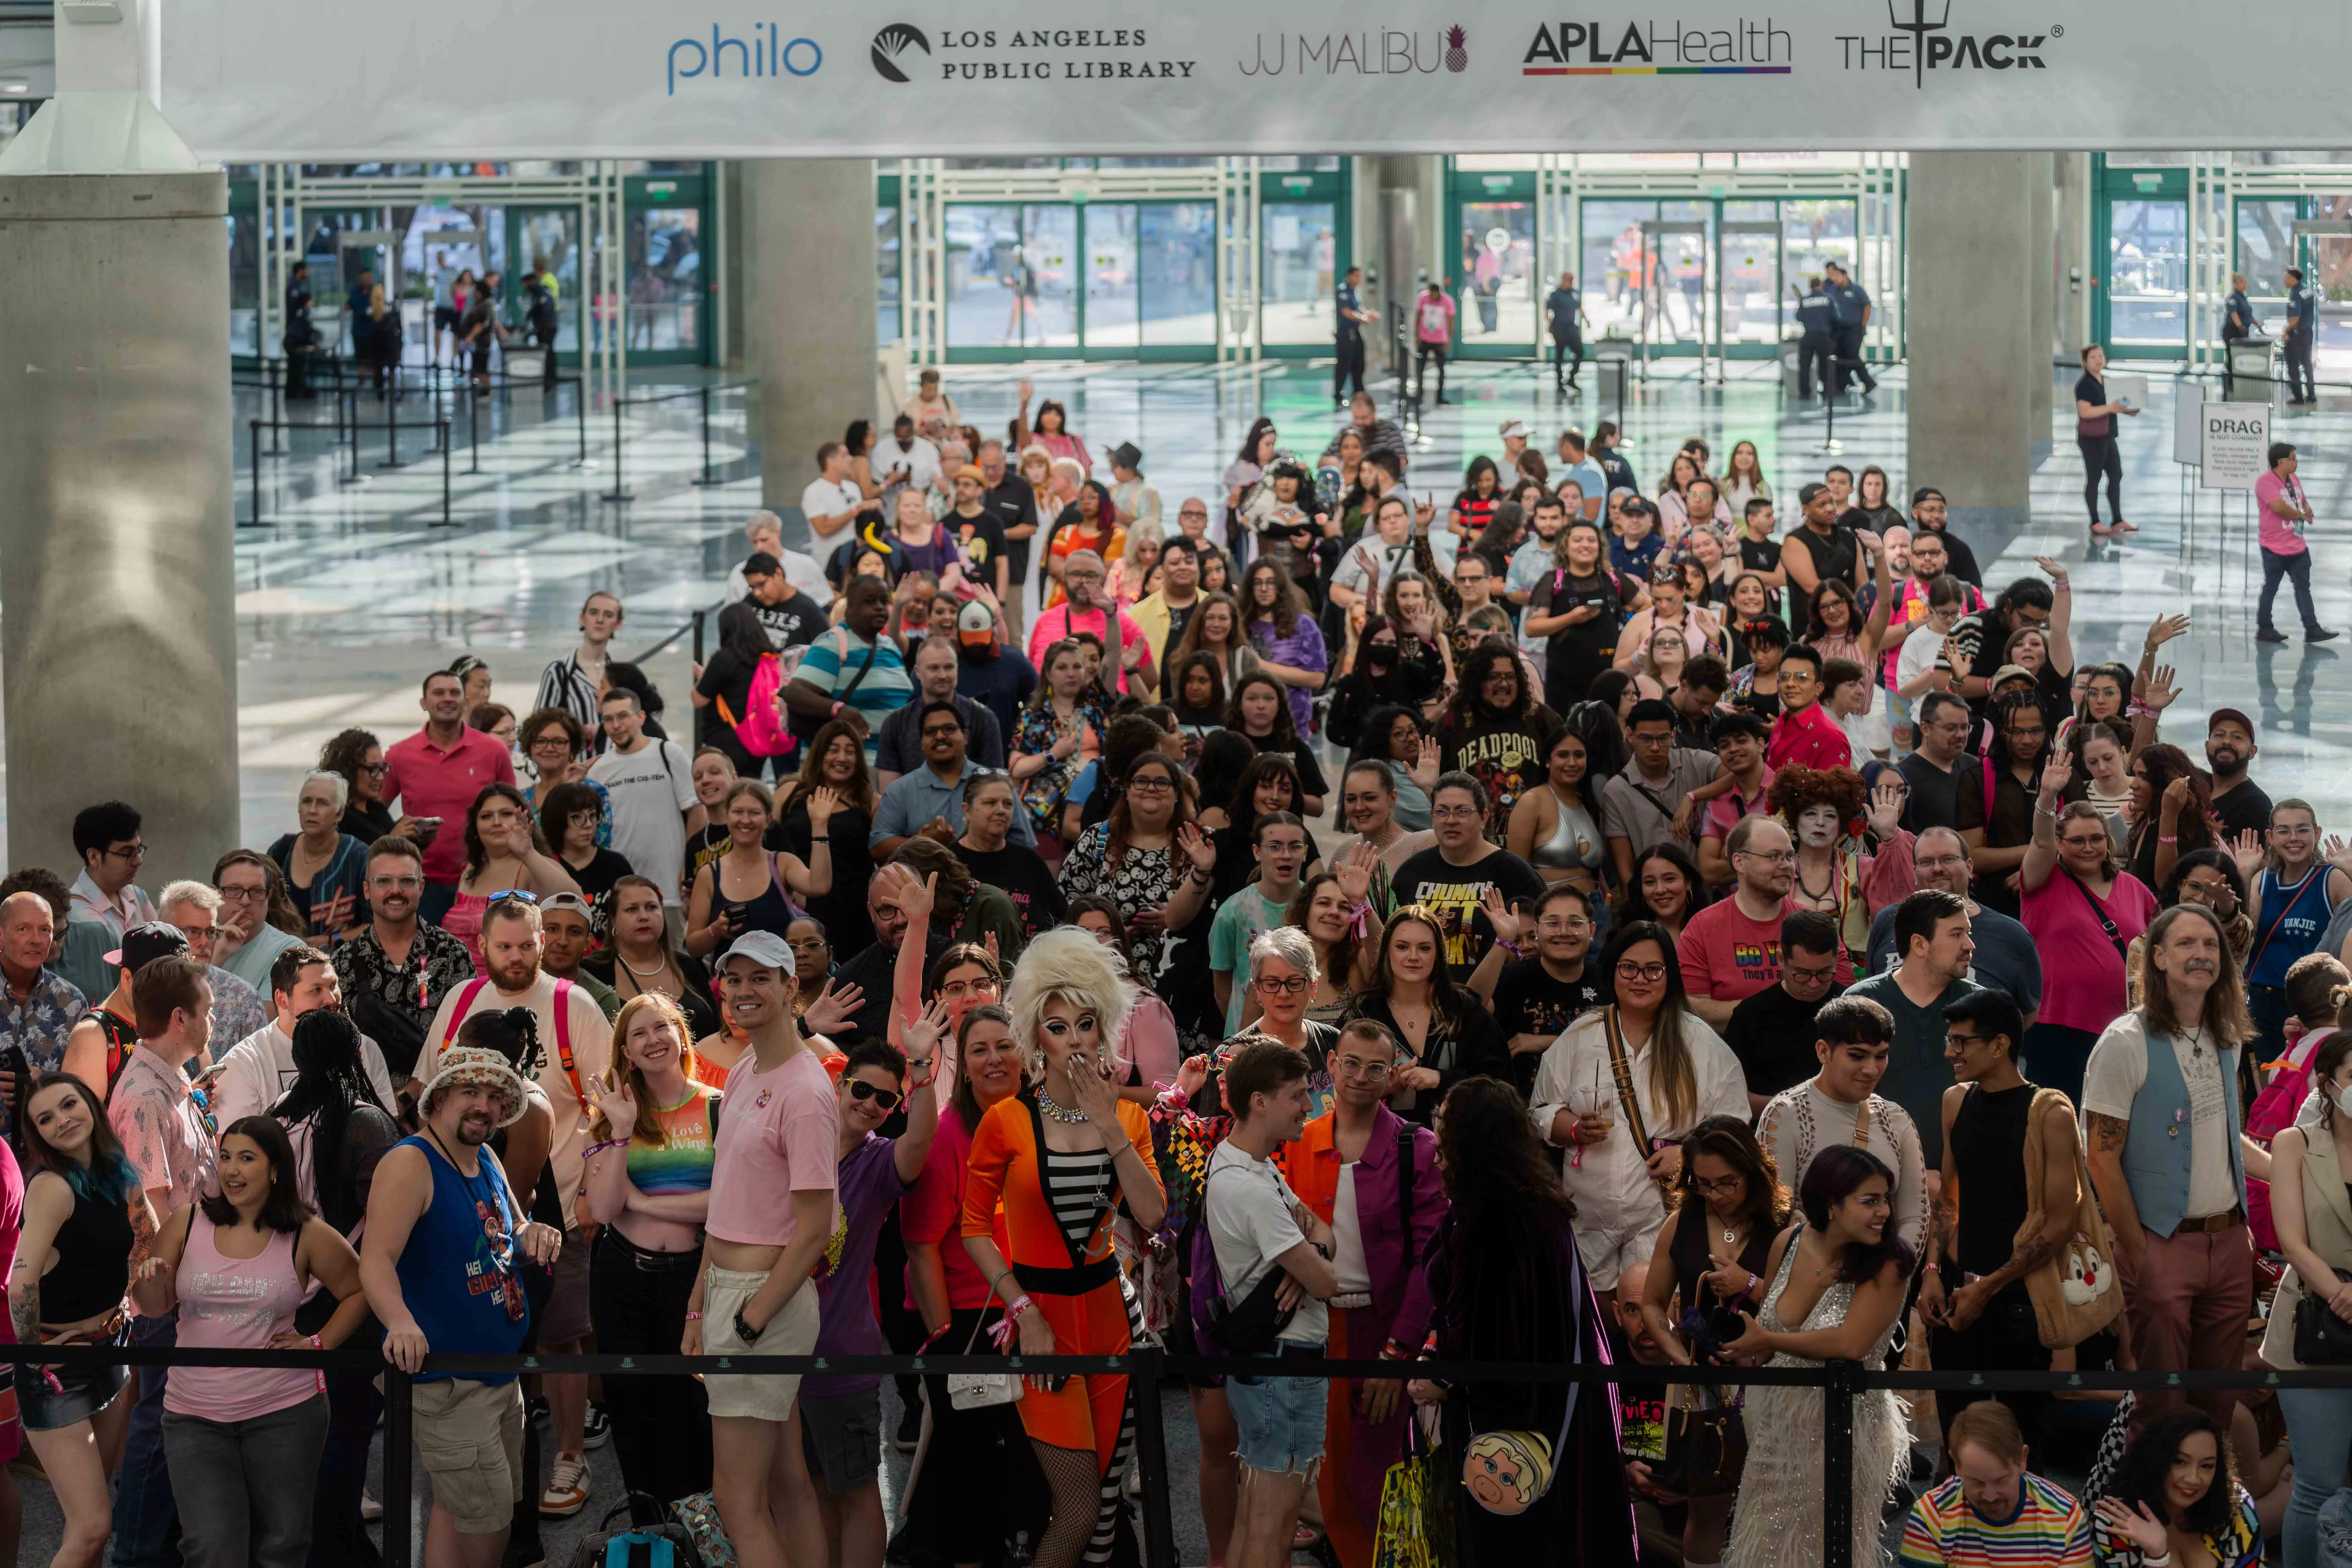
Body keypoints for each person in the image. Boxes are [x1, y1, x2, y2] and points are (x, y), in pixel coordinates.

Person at [958, 930, 1165, 1568]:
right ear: (1034, 1035)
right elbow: (972, 1228)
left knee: (1104, 1508)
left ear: (1103, 1029)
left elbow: (1153, 1216)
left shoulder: (1127, 1118)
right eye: (1056, 1025)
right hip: (1039, 1322)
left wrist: (1108, 1122)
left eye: (1084, 1023)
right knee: (1075, 1506)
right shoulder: (1005, 1120)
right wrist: (1023, 1312)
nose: (1073, 1038)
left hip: (1113, 1318)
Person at [1407, 1076, 1639, 1567]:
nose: (1436, 1142)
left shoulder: (1497, 1213)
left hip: (1510, 1427)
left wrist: (1444, 1376)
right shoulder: (1523, 1201)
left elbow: (1492, 1324)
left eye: (1445, 1128)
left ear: (1474, 1137)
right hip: (1545, 1410)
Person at [680, 932, 856, 1568]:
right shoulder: (751, 1067)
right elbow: (724, 1202)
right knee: (784, 1485)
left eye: (762, 978)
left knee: (736, 1496)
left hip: (763, 1304)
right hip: (733, 1294)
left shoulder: (807, 1093)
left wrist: (750, 1319)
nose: (745, 990)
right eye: (735, 978)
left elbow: (816, 1227)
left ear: (791, 987)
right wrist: (700, 1306)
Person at [129, 1114, 365, 1568]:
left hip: (285, 1413)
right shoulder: (187, 1222)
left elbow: (359, 1289)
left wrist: (320, 1344)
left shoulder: (305, 1233)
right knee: (211, 1549)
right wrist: (150, 1280)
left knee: (282, 1547)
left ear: (275, 1168)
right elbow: (153, 1305)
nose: (232, 1170)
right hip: (194, 1415)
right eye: (225, 1157)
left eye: (247, 1158)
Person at [362, 1038, 561, 1568]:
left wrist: (533, 1232)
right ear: (440, 1098)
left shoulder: (487, 1156)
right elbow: (375, 1260)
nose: (485, 1106)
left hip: (499, 1372)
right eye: (470, 1091)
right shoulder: (411, 1163)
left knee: (457, 1508)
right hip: (449, 1383)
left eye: (496, 1097)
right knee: (489, 1522)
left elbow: (509, 1230)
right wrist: (400, 1323)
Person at [2082, 903, 2255, 1437]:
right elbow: (2100, 1158)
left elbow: (2229, 1139)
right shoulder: (2124, 1042)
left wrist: (2300, 1164)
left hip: (2229, 1243)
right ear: (2157, 957)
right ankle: (2144, 1517)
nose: (2201, 955)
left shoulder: (2226, 1035)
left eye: (2210, 945)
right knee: (2160, 1411)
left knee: (2217, 1407)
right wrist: (2140, 1254)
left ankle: (2203, 1519)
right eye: (2186, 944)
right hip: (2160, 1244)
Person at [1283, 1021, 1444, 1568]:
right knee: (1322, 1479)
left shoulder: (1416, 1148)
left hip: (1383, 1332)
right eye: (1349, 1063)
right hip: (1310, 1332)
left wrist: (1396, 1354)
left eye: (1375, 1067)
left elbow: (1431, 1262)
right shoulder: (1297, 1140)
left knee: (1378, 1481)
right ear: (1329, 1065)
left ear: (1391, 1074)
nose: (1359, 1077)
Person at [1720, 1143, 1910, 1568]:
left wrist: (1765, 1339)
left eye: (1885, 1200)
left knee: (1826, 1547)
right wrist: (1742, 1348)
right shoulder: (1788, 1242)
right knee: (1762, 1540)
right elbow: (1770, 1320)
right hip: (1776, 1421)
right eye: (1870, 1201)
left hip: (1845, 1423)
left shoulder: (1891, 1263)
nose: (1883, 1211)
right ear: (1832, 1204)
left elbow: (1850, 1344)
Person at [1530, 921, 1748, 1289]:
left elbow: (1734, 1125)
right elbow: (1538, 1112)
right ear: (1614, 970)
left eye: (1653, 970)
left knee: (1653, 1317)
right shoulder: (1582, 1035)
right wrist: (1574, 1128)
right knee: (1596, 1324)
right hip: (1586, 1216)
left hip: (1662, 1216)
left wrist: (1688, 1153)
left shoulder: (1699, 1041)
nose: (1640, 979)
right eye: (1629, 967)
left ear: (1670, 975)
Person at [1918, 987, 2081, 1446]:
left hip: (2020, 1302)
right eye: (1950, 1040)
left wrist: (1987, 1289)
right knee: (1955, 1441)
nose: (1951, 1052)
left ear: (1999, 1044)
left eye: (1961, 1041)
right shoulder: (1955, 1101)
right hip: (1956, 1294)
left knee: (2020, 1440)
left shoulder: (2049, 1113)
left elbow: (2060, 1223)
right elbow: (1949, 1197)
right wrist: (1933, 1271)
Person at [578, 994, 720, 1523]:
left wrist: (646, 1202)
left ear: (682, 1036)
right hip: (621, 1279)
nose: (654, 1039)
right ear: (627, 1052)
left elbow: (728, 1203)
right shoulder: (614, 1113)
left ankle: (705, 1538)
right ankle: (652, 1537)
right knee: (635, 1413)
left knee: (696, 1414)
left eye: (663, 1027)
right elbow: (606, 1207)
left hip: (694, 1279)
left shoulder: (717, 1105)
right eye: (639, 1033)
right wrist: (619, 1131)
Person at [1202, 1039, 1337, 1568]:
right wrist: (1311, 1266)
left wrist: (1308, 1261)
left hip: (1272, 1368)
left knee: (1255, 1518)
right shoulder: (1253, 1188)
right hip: (1285, 1369)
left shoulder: (1249, 1165)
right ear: (1260, 1101)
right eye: (1299, 1095)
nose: (1310, 1105)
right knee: (1271, 1529)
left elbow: (1323, 1238)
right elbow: (1328, 1281)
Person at [1634, 1115, 1789, 1568]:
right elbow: (1652, 1305)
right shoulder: (1682, 1221)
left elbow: (1801, 1311)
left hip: (1771, 1384)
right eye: (1704, 1184)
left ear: (1753, 1172)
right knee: (1706, 1512)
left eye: (1728, 1183)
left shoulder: (1785, 1223)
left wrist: (1752, 1285)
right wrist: (1680, 1358)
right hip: (1700, 1389)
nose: (1717, 1194)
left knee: (1771, 1506)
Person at [108, 953, 222, 1568]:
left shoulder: (173, 1082)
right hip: (165, 1293)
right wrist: (170, 1290)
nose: (213, 1020)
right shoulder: (147, 1095)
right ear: (179, 1017)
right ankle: (134, 1554)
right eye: (205, 1011)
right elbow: (149, 1207)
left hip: (183, 1282)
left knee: (168, 1425)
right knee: (156, 1428)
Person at [13, 1072, 146, 1568]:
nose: (62, 1121)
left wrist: (131, 1300)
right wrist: (36, 1355)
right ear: (37, 1135)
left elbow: (145, 1242)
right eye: (45, 1118)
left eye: (69, 1105)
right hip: (58, 1373)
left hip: (111, 1351)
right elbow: (19, 1284)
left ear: (90, 1103)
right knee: (93, 1528)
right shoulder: (51, 1187)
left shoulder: (117, 1172)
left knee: (88, 1524)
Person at [2255, 1024, 2352, 1566]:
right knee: (2314, 1484)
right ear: (2327, 1083)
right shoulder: (2294, 1142)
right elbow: (2290, 1237)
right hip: (2311, 1328)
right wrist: (2340, 1292)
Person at [2021, 756, 2159, 1109]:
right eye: (2077, 840)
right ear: (2060, 843)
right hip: (2059, 1028)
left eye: (2097, 838)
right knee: (2059, 1120)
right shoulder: (2043, 881)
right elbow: (2039, 843)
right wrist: (2048, 797)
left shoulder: (2133, 887)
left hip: (2126, 1027)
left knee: (2120, 1118)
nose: (2088, 847)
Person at [1757, 996, 1931, 1249]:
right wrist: (1826, 1270)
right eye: (1858, 1056)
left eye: (1881, 1056)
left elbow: (1915, 1216)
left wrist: (1890, 1275)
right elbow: (1778, 1209)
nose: (1871, 1070)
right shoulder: (1785, 1114)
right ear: (1823, 1051)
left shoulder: (1897, 1120)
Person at [1848, 888, 1986, 1166]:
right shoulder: (1862, 1004)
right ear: (1920, 945)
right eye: (1957, 934)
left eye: (1968, 933)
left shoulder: (1982, 1005)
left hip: (1965, 1176)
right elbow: (1841, 1095)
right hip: (1878, 1172)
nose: (1970, 945)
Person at [331, 835, 477, 1087]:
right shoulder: (342, 964)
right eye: (384, 881)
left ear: (421, 887)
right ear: (367, 890)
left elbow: (471, 1035)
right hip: (365, 1106)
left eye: (406, 881)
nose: (395, 891)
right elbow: (334, 1049)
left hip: (441, 1100)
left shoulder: (452, 954)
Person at [211, 943, 398, 1131]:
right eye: (316, 990)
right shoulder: (245, 1063)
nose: (332, 999)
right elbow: (234, 1149)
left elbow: (385, 1130)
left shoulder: (365, 1047)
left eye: (333, 986)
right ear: (282, 999)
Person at [384, 671, 521, 924]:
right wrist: (393, 835)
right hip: (423, 883)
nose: (447, 699)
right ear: (423, 703)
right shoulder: (399, 756)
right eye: (439, 693)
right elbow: (371, 811)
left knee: (484, 958)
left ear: (466, 702)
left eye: (454, 693)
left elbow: (515, 813)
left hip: (485, 878)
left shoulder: (493, 751)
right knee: (427, 961)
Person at [1390, 774, 1548, 982]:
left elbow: (1543, 944)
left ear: (1483, 818)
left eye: (1462, 812)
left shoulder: (1516, 875)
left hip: (1492, 1001)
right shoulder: (1412, 873)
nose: (1451, 820)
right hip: (1420, 996)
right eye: (1441, 811)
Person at [1898, 1401, 2093, 1567]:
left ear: (2023, 1459)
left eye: (2002, 1480)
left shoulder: (2066, 1517)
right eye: (1976, 1482)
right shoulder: (1931, 1516)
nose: (1990, 1496)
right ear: (1956, 1465)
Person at [1470, 882, 1613, 1094]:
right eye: (1553, 923)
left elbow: (1621, 1044)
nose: (1564, 932)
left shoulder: (1608, 980)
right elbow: (1470, 1007)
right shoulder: (1515, 977)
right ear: (1537, 929)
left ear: (1591, 930)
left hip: (1595, 1103)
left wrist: (1551, 1042)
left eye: (1575, 923)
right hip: (1520, 1109)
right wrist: (1504, 942)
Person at [587, 688, 704, 936]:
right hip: (620, 893)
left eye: (623, 716)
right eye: (609, 719)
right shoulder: (599, 770)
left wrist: (689, 870)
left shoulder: (669, 754)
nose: (616, 725)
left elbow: (696, 813)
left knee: (674, 964)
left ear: (641, 717)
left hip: (670, 888)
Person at [2089, 1407, 2263, 1568]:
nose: (2193, 1479)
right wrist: (2157, 1557)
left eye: (2207, 1466)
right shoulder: (2113, 1525)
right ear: (2154, 1460)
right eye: (2179, 1462)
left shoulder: (2237, 1505)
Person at [684, 779, 833, 955]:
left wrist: (820, 826)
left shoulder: (783, 864)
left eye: (754, 813)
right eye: (738, 812)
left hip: (780, 978)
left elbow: (820, 886)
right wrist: (715, 931)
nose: (745, 820)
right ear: (727, 816)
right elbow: (693, 947)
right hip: (731, 980)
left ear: (769, 820)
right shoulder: (709, 874)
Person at [1723, 908, 1848, 1111]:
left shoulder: (1852, 1008)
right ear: (1781, 960)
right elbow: (1732, 1096)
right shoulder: (1750, 1016)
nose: (1814, 984)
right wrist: (1800, 1108)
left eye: (1825, 973)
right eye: (1803, 974)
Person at [1601, 699, 1715, 884]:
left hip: (1701, 893)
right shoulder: (1616, 791)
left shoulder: (1694, 762)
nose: (1655, 748)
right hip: (1654, 898)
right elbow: (1626, 870)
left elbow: (1736, 773)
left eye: (1663, 738)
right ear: (1630, 736)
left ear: (1673, 736)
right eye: (1646, 739)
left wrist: (1693, 797)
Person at [58, 799, 159, 1000]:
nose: (139, 861)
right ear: (94, 856)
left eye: (139, 850)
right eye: (127, 854)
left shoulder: (137, 896)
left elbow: (163, 960)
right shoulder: (79, 917)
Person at [876, 636, 1007, 789]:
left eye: (949, 667)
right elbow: (890, 796)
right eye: (934, 668)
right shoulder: (896, 724)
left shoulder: (984, 720)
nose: (943, 676)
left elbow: (995, 788)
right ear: (918, 672)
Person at [267, 773, 371, 943]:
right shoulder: (281, 851)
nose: (312, 810)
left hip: (339, 963)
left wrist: (329, 941)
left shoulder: (358, 856)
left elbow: (377, 925)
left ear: (340, 814)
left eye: (323, 803)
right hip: (283, 961)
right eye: (307, 801)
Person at [2256, 441, 2337, 643]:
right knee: (2271, 587)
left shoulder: (2293, 479)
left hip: (2297, 546)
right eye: (2293, 459)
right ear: (2280, 462)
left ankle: (2312, 629)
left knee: (2303, 587)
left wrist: (2307, 510)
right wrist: (2301, 515)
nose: (2296, 462)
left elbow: (2301, 500)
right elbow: (2279, 508)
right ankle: (2265, 628)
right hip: (2274, 548)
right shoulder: (2265, 482)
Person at [535, 591, 623, 743]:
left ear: (618, 624)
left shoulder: (620, 676)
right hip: (572, 764)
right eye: (594, 613)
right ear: (582, 619)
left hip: (613, 764)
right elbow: (538, 728)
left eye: (608, 615)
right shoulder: (558, 673)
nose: (600, 620)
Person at [2073, 344, 2139, 539]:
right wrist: (2111, 408)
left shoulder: (2107, 381)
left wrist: (2128, 410)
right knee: (2094, 479)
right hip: (2092, 439)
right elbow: (2085, 412)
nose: (2099, 360)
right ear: (2085, 362)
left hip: (2108, 436)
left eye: (2100, 355)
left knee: (2116, 475)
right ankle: (2095, 522)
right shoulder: (2084, 385)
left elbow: (2114, 406)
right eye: (2093, 357)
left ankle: (2118, 520)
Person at [1412, 278, 1454, 406]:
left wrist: (1449, 339)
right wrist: (1417, 334)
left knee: (1441, 369)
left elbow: (1451, 320)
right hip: (1425, 338)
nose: (1433, 296)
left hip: (1440, 340)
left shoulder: (1447, 301)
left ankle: (1440, 396)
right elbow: (1418, 315)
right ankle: (1419, 395)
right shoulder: (1423, 298)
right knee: (1420, 368)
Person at [1333, 264, 1370, 401]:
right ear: (1349, 277)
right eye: (1357, 277)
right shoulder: (1342, 291)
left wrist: (1367, 314)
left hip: (1356, 331)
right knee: (1344, 364)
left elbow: (1358, 307)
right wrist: (1363, 318)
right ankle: (1338, 394)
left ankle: (1359, 393)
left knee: (1359, 364)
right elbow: (1347, 312)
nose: (1359, 280)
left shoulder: (1355, 291)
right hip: (1346, 333)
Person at [2283, 265, 2319, 404]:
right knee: (2307, 363)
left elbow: (2295, 318)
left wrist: (2287, 331)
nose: (2284, 281)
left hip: (2297, 334)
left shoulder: (2295, 294)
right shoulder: (2308, 291)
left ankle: (2298, 397)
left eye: (2286, 278)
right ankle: (2311, 394)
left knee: (2293, 365)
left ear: (2293, 279)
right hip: (2307, 333)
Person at [1545, 270, 1584, 392]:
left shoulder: (1574, 293)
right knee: (1560, 355)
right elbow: (1547, 309)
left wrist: (1587, 320)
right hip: (1560, 328)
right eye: (1569, 280)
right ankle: (1559, 381)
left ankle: (1572, 377)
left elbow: (1579, 308)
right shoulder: (1556, 294)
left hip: (1571, 328)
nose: (1571, 283)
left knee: (1580, 352)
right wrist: (1549, 324)